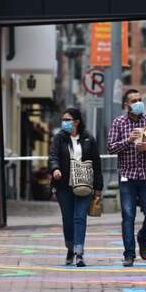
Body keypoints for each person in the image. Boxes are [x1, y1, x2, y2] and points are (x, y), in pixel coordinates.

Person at [107, 89, 146, 267]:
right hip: (127, 176)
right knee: (128, 215)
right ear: (126, 104)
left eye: (140, 99)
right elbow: (110, 148)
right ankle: (129, 254)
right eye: (134, 100)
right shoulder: (119, 123)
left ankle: (142, 237)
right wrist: (128, 140)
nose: (138, 103)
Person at [49, 108, 103, 267]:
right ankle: (70, 247)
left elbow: (96, 163)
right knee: (68, 219)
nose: (64, 122)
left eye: (68, 119)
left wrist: (98, 187)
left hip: (84, 184)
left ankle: (79, 252)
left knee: (80, 217)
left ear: (77, 121)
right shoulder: (59, 138)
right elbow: (53, 156)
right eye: (63, 119)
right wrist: (55, 169)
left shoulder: (88, 139)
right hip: (64, 185)